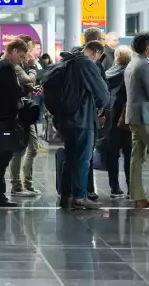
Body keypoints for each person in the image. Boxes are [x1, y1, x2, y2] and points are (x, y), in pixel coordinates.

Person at [58, 40, 110, 210]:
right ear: (96, 53)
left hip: (65, 118)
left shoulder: (68, 61)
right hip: (83, 118)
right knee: (83, 158)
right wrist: (100, 107)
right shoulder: (86, 64)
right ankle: (80, 196)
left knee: (70, 155)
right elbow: (103, 93)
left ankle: (66, 195)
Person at [0, 38, 29, 207]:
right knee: (3, 157)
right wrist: (25, 88)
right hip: (5, 117)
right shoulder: (6, 67)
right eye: (21, 56)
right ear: (13, 51)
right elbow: (13, 90)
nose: (22, 60)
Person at [8, 36, 41, 197]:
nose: (30, 55)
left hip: (26, 110)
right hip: (19, 113)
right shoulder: (17, 66)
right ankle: (18, 185)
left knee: (32, 147)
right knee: (20, 149)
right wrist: (33, 69)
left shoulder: (20, 65)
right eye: (27, 52)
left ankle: (25, 183)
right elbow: (27, 79)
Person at [104, 45, 132, 199]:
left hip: (110, 117)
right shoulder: (129, 73)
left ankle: (114, 188)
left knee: (112, 154)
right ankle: (130, 186)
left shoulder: (108, 73)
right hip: (126, 117)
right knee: (129, 154)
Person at [125, 33, 149, 209]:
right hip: (145, 116)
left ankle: (138, 195)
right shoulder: (144, 65)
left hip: (133, 115)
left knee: (137, 156)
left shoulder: (132, 63)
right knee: (137, 155)